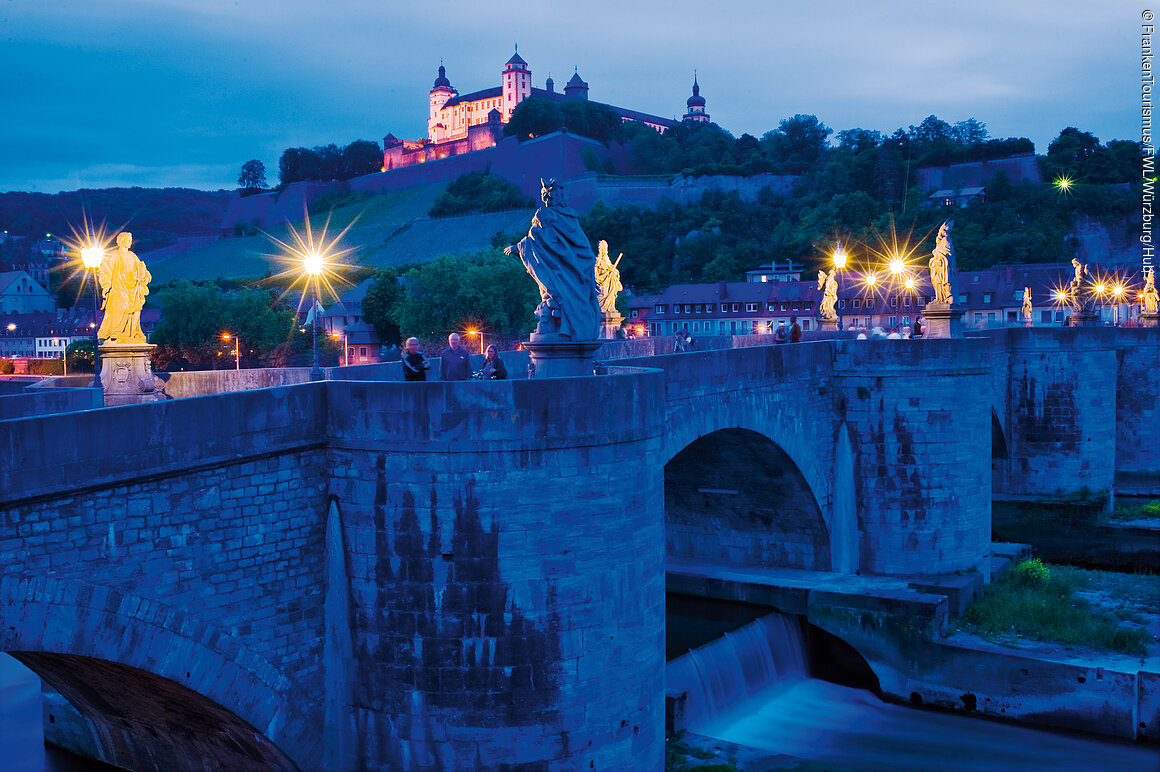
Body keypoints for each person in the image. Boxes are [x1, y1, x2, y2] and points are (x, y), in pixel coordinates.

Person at [97, 232, 151, 343]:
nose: (130, 242)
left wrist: (144, 277)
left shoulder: (132, 256)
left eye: (130, 240)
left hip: (133, 289)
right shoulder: (114, 255)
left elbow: (142, 271)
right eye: (127, 239)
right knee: (119, 308)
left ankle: (133, 332)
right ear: (121, 241)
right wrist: (106, 285)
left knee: (136, 310)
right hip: (118, 288)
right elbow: (105, 271)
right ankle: (116, 331)